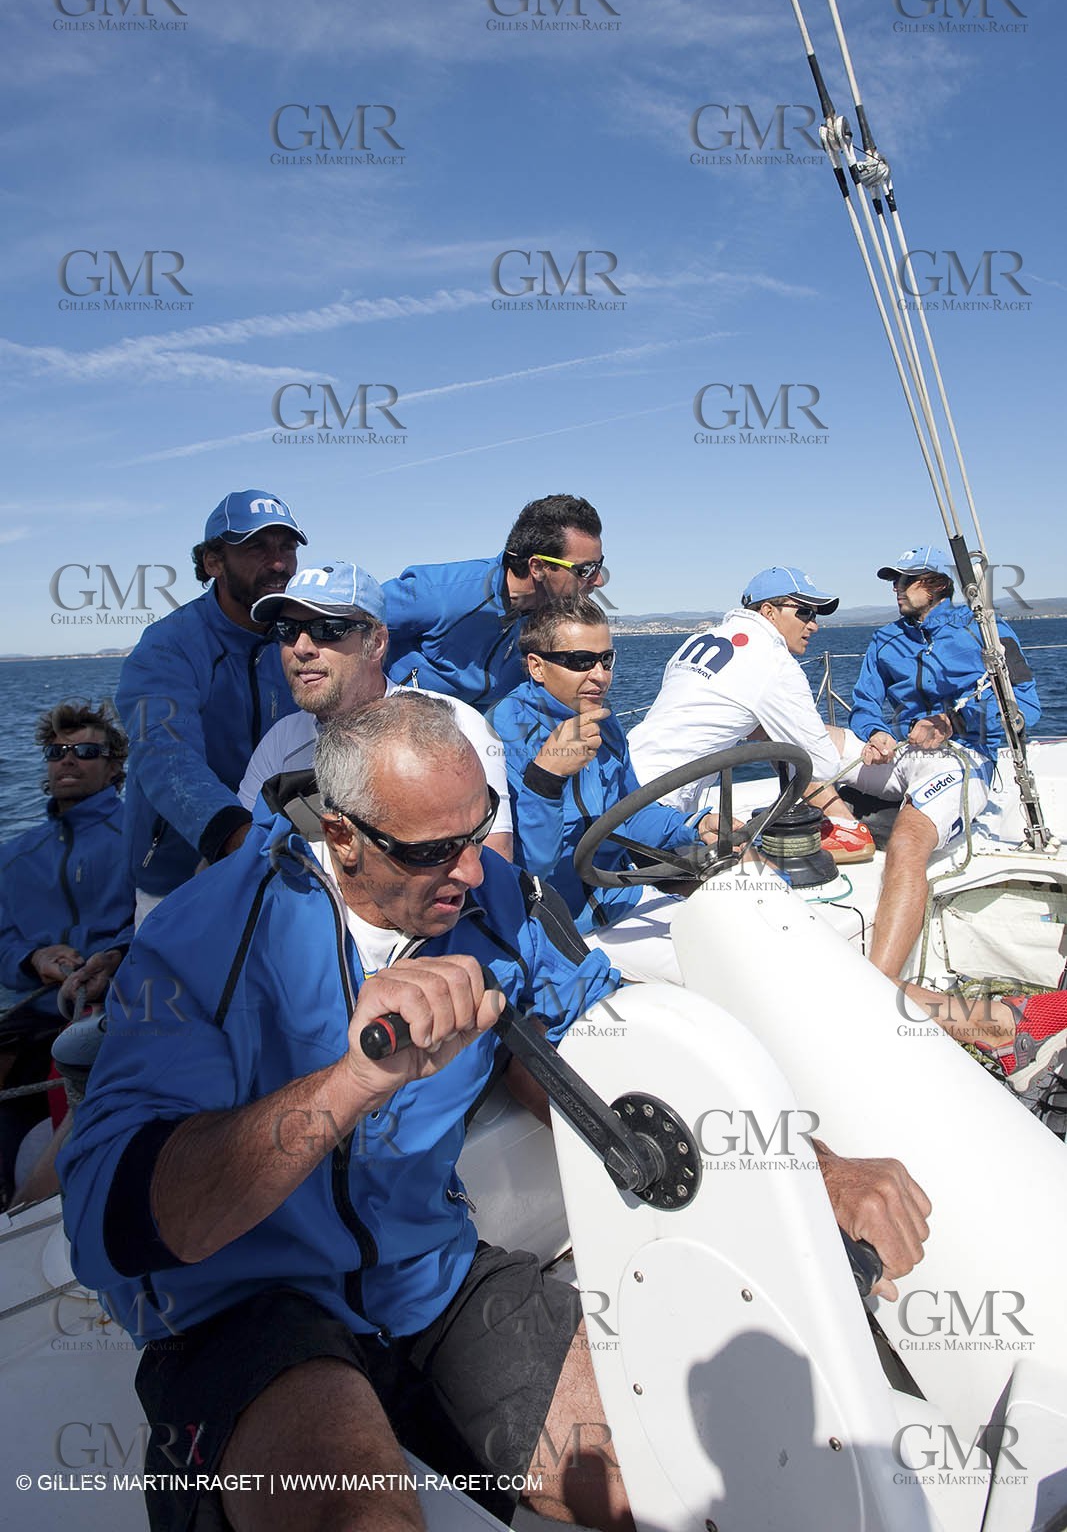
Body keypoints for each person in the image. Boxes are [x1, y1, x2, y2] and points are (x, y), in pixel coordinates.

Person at [60, 695, 931, 1532]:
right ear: (342, 838)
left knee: (670, 1479)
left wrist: (811, 1172)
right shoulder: (199, 939)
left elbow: (615, 1045)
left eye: (479, 832)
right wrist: (356, 1079)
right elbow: (118, 1225)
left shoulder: (494, 898)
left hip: (428, 1274)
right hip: (245, 1305)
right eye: (437, 850)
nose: (474, 871)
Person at [490, 596, 719, 980]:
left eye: (605, 660)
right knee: (719, 971)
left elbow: (630, 813)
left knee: (738, 938)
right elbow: (524, 871)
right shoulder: (498, 737)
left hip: (620, 898)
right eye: (581, 661)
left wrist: (694, 826)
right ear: (536, 666)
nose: (600, 675)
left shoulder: (603, 723)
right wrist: (546, 779)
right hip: (557, 932)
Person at [846, 545, 1041, 980]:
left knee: (908, 843)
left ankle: (878, 982)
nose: (896, 589)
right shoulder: (886, 639)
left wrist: (953, 721)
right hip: (899, 752)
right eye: (894, 581)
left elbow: (1026, 709)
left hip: (962, 758)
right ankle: (842, 828)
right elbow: (863, 704)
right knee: (808, 745)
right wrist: (875, 730)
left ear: (936, 586)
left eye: (906, 581)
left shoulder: (988, 632)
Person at [239, 561, 514, 859]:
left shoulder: (459, 725)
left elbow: (492, 860)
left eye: (328, 629)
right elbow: (245, 855)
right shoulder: (280, 740)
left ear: (378, 643)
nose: (301, 647)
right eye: (287, 630)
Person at [117, 489, 305, 922]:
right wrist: (232, 835)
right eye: (256, 546)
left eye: (287, 546)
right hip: (180, 878)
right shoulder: (166, 647)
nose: (278, 562)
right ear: (213, 562)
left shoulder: (304, 639)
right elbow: (165, 753)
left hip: (287, 866)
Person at [628, 566, 875, 863]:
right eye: (805, 612)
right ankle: (849, 831)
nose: (814, 625)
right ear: (769, 611)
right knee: (767, 886)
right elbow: (820, 764)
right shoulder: (774, 661)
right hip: (661, 810)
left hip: (620, 781)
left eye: (816, 615)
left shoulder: (697, 641)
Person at [0, 701, 133, 1204]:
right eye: (58, 751)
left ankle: (26, 1214)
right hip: (31, 1018)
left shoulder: (142, 842)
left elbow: (161, 923)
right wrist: (32, 958)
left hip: (109, 1013)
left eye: (85, 750)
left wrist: (115, 956)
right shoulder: (13, 858)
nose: (68, 760)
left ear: (115, 766)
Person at [383, 493, 606, 712]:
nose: (599, 580)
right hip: (398, 722)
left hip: (474, 735)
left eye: (599, 565)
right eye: (585, 569)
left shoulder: (551, 619)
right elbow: (355, 624)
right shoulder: (441, 595)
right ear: (537, 567)